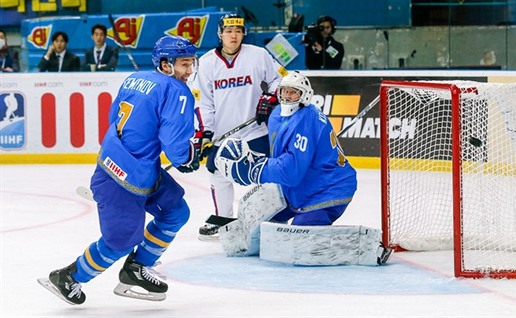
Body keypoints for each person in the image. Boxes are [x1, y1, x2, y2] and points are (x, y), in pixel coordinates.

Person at [37, 35, 200, 305]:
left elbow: (114, 118)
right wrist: (188, 155)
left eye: (191, 63)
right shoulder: (177, 91)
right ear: (165, 64)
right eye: (184, 64)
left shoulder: (133, 79)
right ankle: (69, 277)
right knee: (121, 241)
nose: (189, 71)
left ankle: (136, 268)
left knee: (175, 210)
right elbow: (175, 148)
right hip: (122, 178)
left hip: (127, 165)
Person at [216, 71, 357, 226]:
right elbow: (281, 155)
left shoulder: (305, 120)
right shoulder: (277, 114)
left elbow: (290, 172)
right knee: (262, 224)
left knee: (299, 236)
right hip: (304, 186)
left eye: (294, 93)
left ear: (305, 95)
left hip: (327, 189)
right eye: (285, 91)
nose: (288, 96)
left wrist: (256, 170)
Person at [190, 13, 285, 240]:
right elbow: (204, 103)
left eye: (238, 31)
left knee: (266, 174)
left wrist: (270, 98)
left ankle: (270, 220)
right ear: (220, 34)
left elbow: (281, 78)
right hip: (224, 136)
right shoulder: (206, 63)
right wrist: (206, 132)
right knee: (216, 172)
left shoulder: (258, 55)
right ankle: (224, 220)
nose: (234, 35)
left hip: (255, 131)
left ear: (244, 33)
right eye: (229, 31)